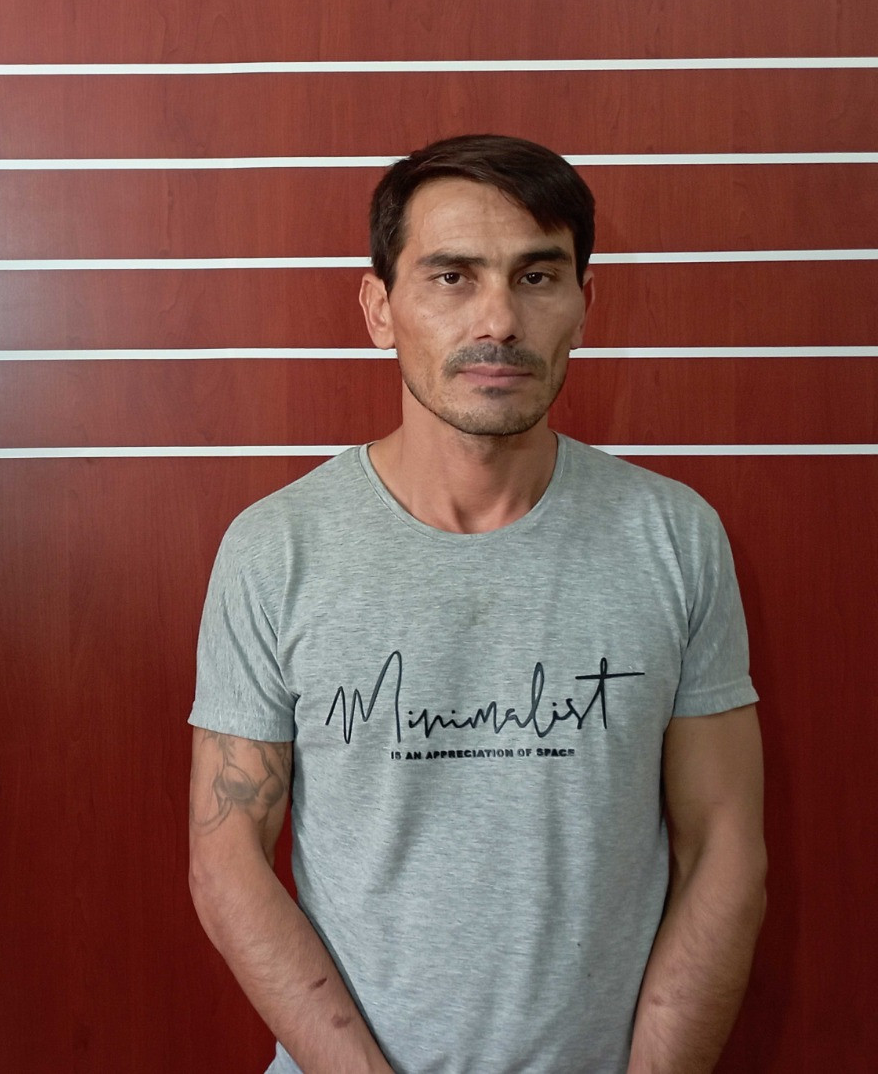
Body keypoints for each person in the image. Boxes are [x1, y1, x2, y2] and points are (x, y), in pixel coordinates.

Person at [188, 134, 766, 1074]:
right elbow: (227, 859)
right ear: (380, 309)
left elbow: (724, 846)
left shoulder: (674, 536)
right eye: (451, 276)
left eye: (537, 277)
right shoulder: (275, 549)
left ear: (584, 304)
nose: (499, 318)